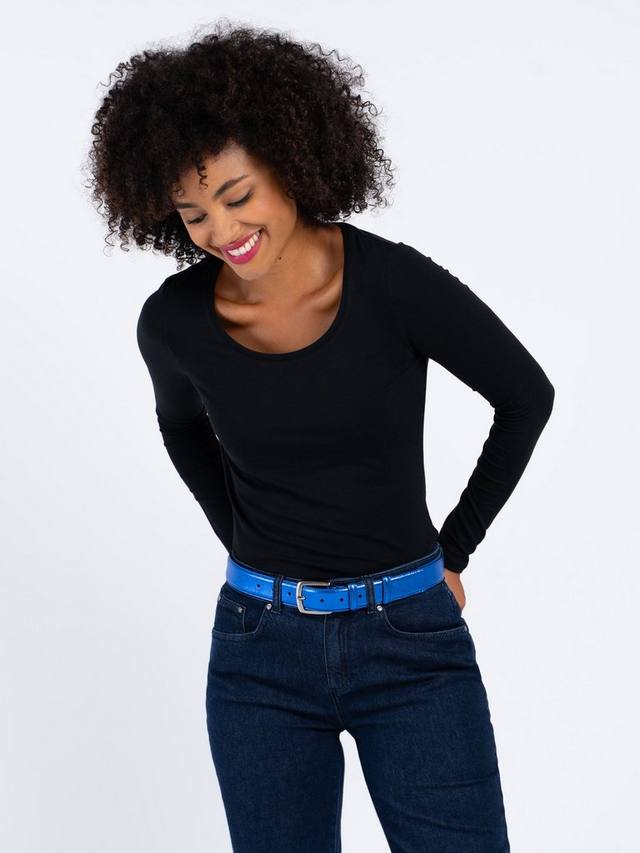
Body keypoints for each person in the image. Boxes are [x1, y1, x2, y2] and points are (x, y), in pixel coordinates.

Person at [86, 22, 554, 853]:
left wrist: (454, 549)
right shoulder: (172, 324)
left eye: (238, 195)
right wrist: (247, 539)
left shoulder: (393, 283)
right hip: (258, 654)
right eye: (194, 214)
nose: (222, 229)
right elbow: (181, 429)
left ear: (288, 161)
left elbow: (525, 396)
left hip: (410, 641)